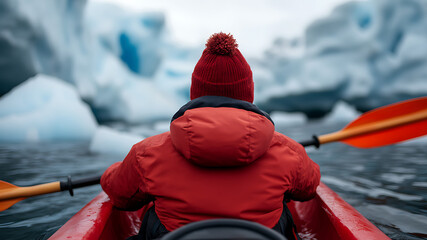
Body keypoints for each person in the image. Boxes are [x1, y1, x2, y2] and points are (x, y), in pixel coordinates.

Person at [101, 32, 320, 240]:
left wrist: (116, 170)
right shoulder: (288, 152)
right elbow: (309, 187)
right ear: (248, 93)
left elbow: (120, 194)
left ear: (195, 91)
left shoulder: (147, 153)